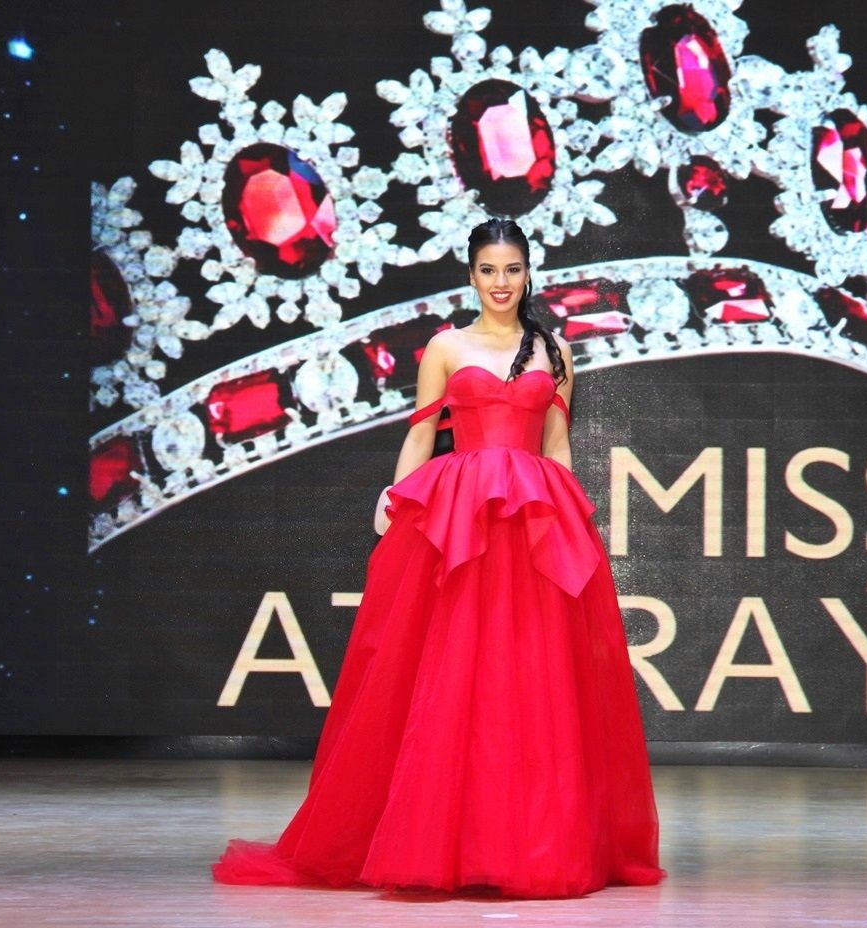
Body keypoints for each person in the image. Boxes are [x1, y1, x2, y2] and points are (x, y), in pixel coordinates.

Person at [211, 218, 665, 899]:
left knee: (532, 677)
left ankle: (529, 844)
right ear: (471, 275)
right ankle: (438, 843)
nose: (501, 282)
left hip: (534, 519)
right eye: (488, 270)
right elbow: (422, 436)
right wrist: (397, 500)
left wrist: (570, 515)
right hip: (461, 520)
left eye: (512, 269)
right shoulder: (446, 347)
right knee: (450, 672)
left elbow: (556, 445)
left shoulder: (555, 351)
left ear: (528, 273)